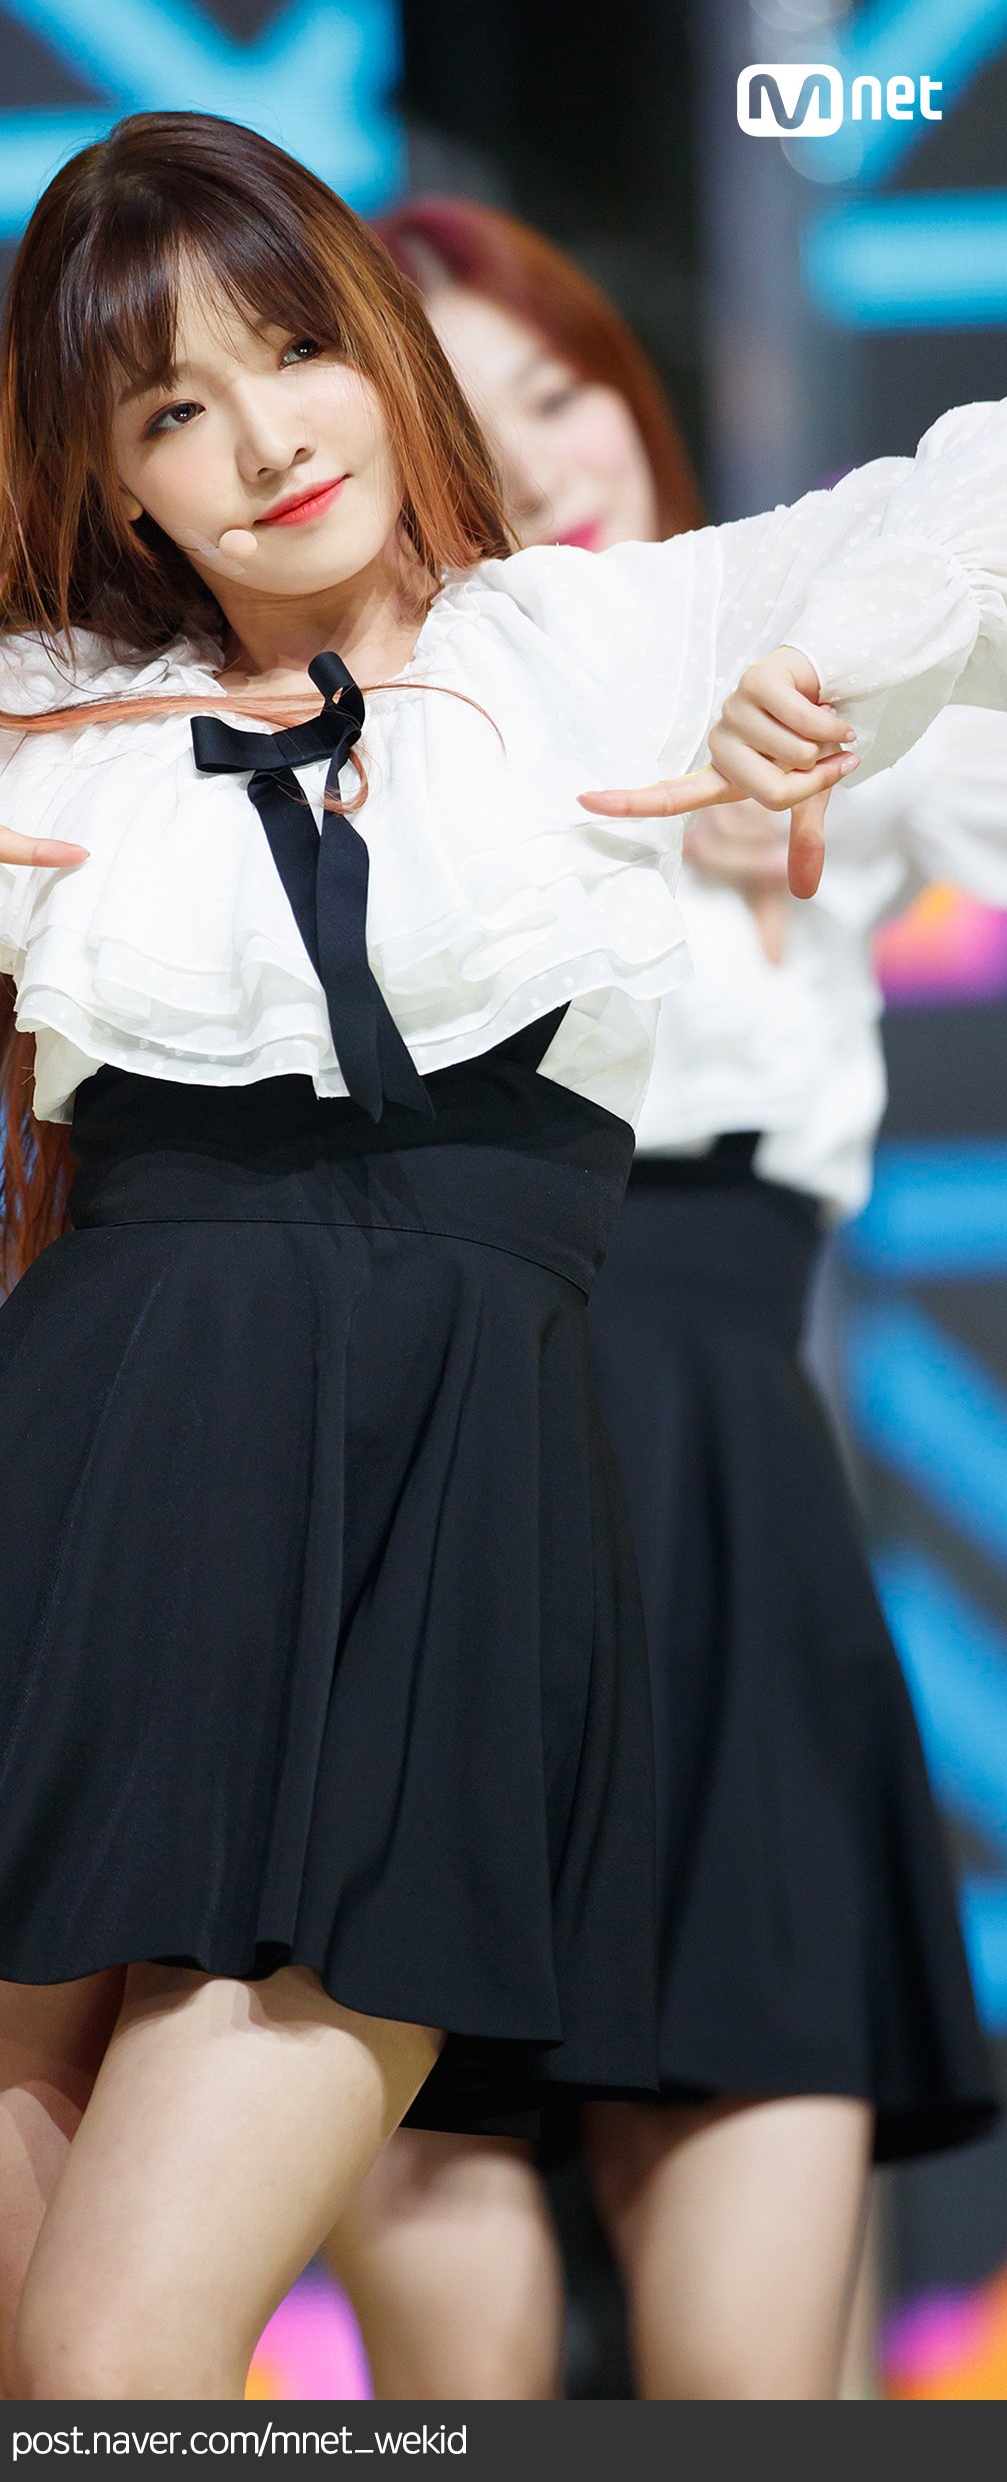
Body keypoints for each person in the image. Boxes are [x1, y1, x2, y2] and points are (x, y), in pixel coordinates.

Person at [0, 115, 1006, 2402]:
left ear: (380, 349)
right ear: (117, 484)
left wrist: (837, 666)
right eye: (171, 408)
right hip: (57, 1552)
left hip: (429, 1546)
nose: (265, 439)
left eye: (294, 352)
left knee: (121, 2349)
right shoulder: (31, 698)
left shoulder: (595, 640)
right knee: (60, 2393)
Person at [321, 195, 1004, 2402]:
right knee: (453, 2354)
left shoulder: (829, 695)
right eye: (472, 423)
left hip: (724, 1526)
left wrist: (844, 678)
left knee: (750, 2367)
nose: (547, 455)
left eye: (564, 385)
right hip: (422, 1539)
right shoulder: (352, 763)